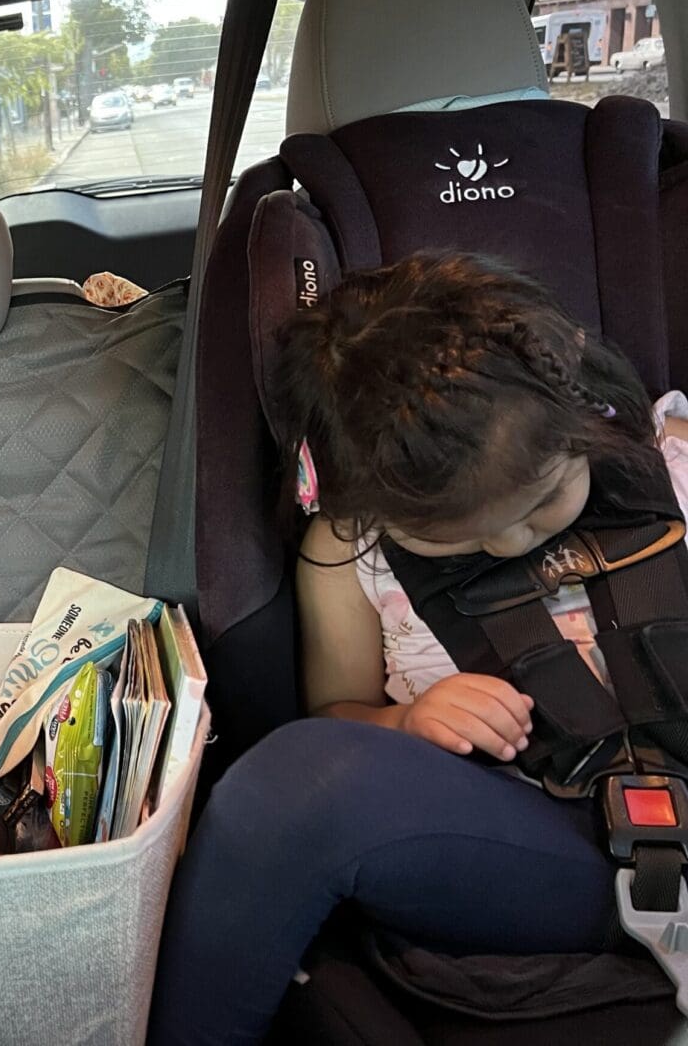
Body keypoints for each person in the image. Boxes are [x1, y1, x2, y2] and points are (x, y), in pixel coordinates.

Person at [148, 251, 688, 1043]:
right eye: (454, 537)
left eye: (541, 504)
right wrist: (407, 723)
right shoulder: (348, 553)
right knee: (289, 783)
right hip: (551, 839)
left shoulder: (671, 460)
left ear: (580, 416)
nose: (509, 543)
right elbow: (336, 711)